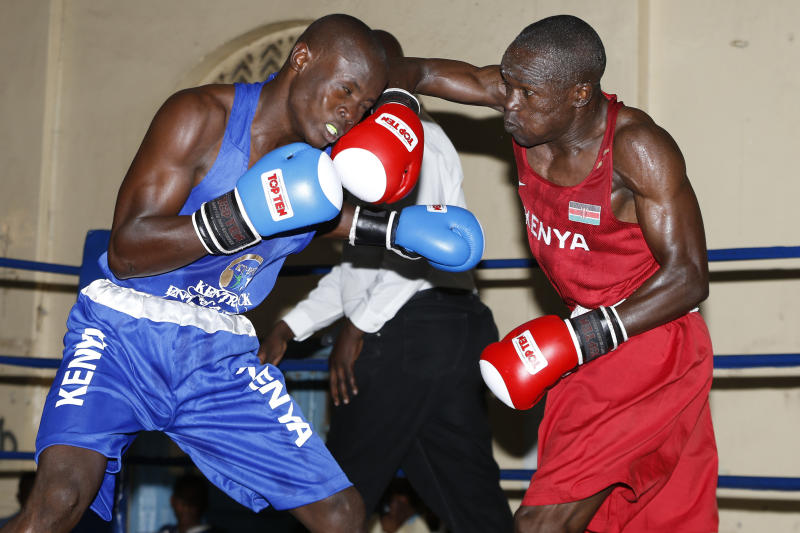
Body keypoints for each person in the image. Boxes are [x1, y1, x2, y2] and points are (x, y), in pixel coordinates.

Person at [1, 14, 485, 533]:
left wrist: (395, 229)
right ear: (302, 60)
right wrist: (239, 217)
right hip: (123, 336)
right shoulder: (199, 116)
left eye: (364, 106)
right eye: (344, 90)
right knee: (59, 500)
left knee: (341, 513)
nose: (350, 113)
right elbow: (125, 249)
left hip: (217, 356)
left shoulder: (323, 163)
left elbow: (314, 218)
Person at [389, 14, 718, 532]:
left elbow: (690, 277)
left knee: (543, 523)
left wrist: (583, 337)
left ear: (579, 94)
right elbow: (414, 68)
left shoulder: (638, 150)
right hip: (588, 341)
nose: (508, 106)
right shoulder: (523, 103)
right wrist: (392, 106)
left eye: (527, 95)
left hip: (652, 337)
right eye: (508, 86)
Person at [261, 31, 513, 533]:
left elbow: (425, 246)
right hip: (436, 330)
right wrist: (291, 325)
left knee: (336, 491)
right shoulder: (367, 147)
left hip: (413, 328)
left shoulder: (415, 138)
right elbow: (360, 263)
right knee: (468, 498)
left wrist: (357, 327)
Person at [157, 473, 224, 533]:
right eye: (183, 501)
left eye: (193, 501)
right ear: (173, 501)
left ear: (203, 503)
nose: (187, 508)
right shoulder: (166, 531)